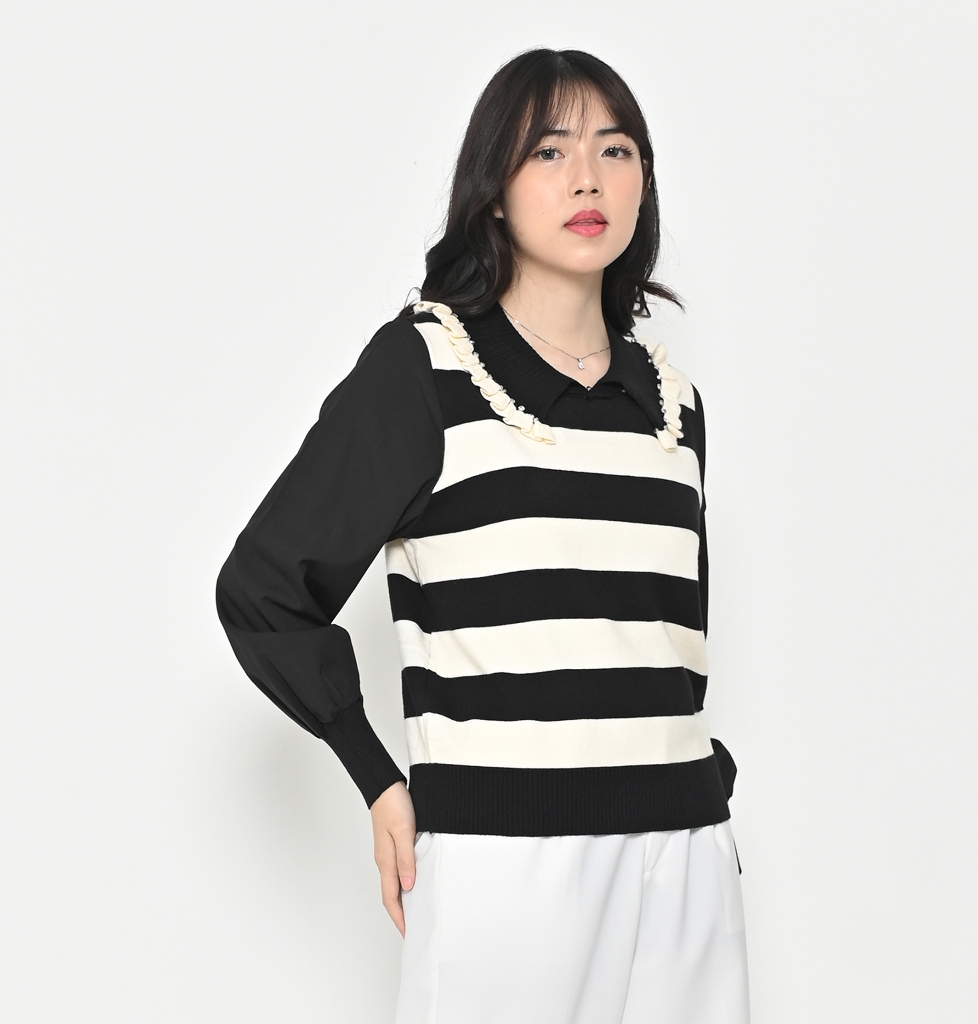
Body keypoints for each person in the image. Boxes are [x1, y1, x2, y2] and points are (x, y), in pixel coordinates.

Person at [216, 47, 749, 1024]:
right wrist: (378, 779)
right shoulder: (424, 369)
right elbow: (264, 587)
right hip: (508, 869)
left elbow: (669, 647)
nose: (587, 177)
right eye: (549, 151)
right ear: (493, 191)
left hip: (685, 866)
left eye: (615, 149)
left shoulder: (672, 405)